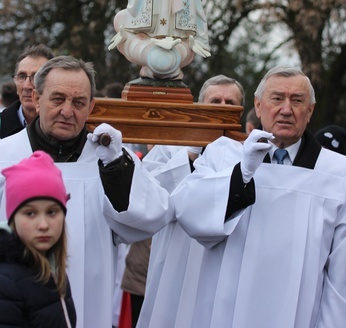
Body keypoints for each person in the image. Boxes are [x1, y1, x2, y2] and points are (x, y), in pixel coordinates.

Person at [0, 56, 174, 328]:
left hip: (90, 303)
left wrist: (116, 166)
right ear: (36, 98)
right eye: (58, 99)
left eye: (79, 102)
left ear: (91, 106)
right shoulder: (5, 154)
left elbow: (153, 216)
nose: (68, 111)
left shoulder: (109, 157)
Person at [172, 66, 346, 328]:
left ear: (310, 111)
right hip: (226, 312)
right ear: (259, 105)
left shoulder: (337, 172)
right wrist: (241, 173)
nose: (286, 110)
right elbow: (189, 213)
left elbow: (340, 274)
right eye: (277, 98)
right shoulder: (222, 155)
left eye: (297, 101)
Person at [136, 75, 245, 328]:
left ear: (241, 111)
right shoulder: (171, 145)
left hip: (223, 259)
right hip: (176, 252)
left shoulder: (248, 154)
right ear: (199, 104)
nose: (221, 106)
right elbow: (150, 193)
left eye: (230, 102)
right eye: (215, 100)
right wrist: (188, 157)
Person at [0, 150, 76, 327]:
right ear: (13, 219)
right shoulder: (6, 283)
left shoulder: (54, 271)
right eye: (30, 213)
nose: (43, 225)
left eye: (52, 212)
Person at [0, 44, 54, 138]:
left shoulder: (67, 126)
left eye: (36, 77)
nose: (26, 86)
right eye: (21, 76)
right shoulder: (2, 123)